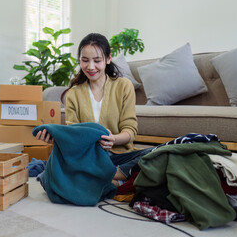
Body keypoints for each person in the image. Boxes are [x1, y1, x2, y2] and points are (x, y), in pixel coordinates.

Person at [35, 33, 153, 187]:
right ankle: (112, 181)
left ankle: (113, 175)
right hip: (88, 159)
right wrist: (56, 138)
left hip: (118, 158)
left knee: (157, 154)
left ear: (108, 59)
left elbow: (130, 130)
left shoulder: (124, 86)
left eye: (97, 61)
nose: (90, 67)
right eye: (85, 61)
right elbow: (73, 135)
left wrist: (114, 139)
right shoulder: (73, 94)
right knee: (49, 175)